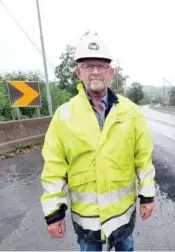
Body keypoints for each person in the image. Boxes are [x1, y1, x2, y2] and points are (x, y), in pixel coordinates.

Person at [40, 33, 156, 251]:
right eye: (88, 65)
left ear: (111, 72)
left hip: (123, 217)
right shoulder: (63, 115)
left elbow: (143, 157)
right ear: (79, 72)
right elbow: (54, 166)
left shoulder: (131, 112)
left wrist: (148, 196)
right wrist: (53, 212)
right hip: (87, 221)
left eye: (101, 66)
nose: (95, 71)